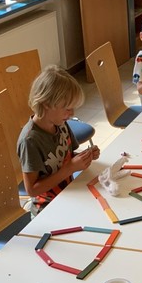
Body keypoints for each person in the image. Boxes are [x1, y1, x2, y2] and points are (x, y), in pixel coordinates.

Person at [17, 66, 100, 216]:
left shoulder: (60, 123)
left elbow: (67, 157)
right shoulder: (30, 141)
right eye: (67, 108)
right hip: (47, 208)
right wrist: (70, 168)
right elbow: (32, 190)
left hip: (69, 194)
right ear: (46, 103)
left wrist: (85, 156)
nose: (72, 113)